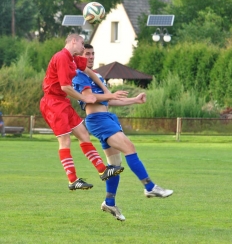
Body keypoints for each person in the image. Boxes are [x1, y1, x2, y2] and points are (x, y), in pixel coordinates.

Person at [72, 44, 173, 221]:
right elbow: (91, 98)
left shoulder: (98, 77)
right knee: (129, 147)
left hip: (108, 118)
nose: (91, 56)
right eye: (87, 53)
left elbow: (109, 102)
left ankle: (109, 202)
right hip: (97, 120)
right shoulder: (79, 76)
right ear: (78, 56)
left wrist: (133, 100)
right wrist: (111, 96)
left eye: (93, 53)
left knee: (114, 167)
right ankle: (149, 187)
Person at [40, 34, 128, 191]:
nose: (83, 47)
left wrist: (105, 90)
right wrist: (84, 98)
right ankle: (72, 180)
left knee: (83, 134)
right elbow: (65, 87)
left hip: (63, 102)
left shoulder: (73, 59)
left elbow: (88, 70)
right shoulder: (61, 57)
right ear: (74, 41)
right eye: (82, 44)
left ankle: (102, 170)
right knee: (65, 141)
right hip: (52, 103)